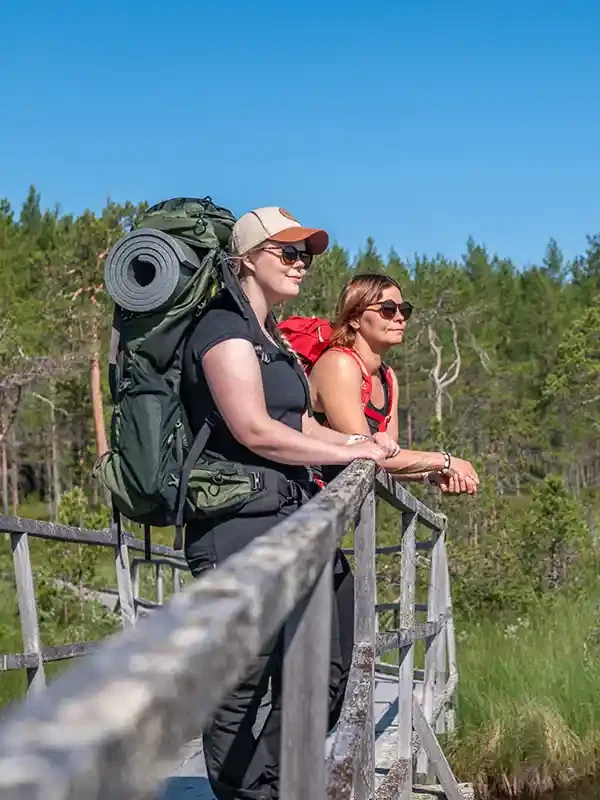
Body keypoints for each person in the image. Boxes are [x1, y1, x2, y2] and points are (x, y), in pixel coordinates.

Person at [181, 208, 396, 800]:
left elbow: (295, 419)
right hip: (236, 525)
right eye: (288, 253)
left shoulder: (271, 338)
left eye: (307, 255)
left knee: (330, 665)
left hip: (292, 517)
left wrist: (357, 444)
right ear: (247, 258)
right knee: (238, 684)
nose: (302, 264)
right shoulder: (221, 328)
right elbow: (255, 431)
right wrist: (341, 455)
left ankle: (273, 782)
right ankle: (248, 792)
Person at [308, 273, 480, 493]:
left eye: (404, 310)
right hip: (302, 502)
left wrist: (431, 475)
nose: (400, 318)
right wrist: (445, 461)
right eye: (387, 309)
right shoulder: (339, 365)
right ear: (354, 318)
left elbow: (384, 460)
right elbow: (367, 450)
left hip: (334, 508)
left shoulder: (388, 377)